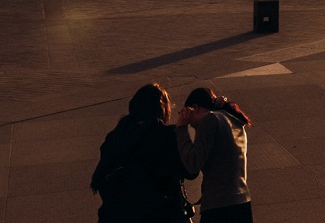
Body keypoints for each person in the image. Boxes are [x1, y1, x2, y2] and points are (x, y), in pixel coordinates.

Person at [91, 83, 194, 223]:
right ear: (162, 108)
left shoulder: (116, 136)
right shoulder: (166, 135)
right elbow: (191, 170)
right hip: (160, 214)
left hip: (116, 214)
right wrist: (184, 130)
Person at [175, 87, 253, 222]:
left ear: (194, 107)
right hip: (241, 201)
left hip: (220, 205)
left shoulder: (209, 120)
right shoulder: (232, 119)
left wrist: (181, 128)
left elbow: (193, 164)